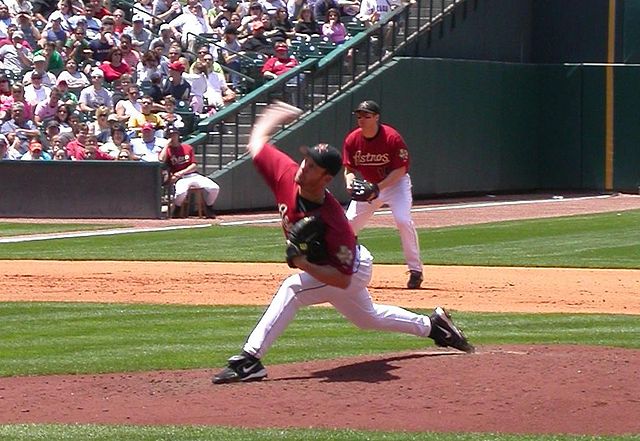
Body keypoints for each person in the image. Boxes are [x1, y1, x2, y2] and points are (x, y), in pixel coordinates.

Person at [212, 101, 473, 385]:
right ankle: (434, 326)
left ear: (325, 178)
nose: (303, 168)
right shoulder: (288, 175)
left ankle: (250, 360)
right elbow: (257, 143)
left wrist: (302, 262)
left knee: (292, 289)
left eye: (311, 167)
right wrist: (272, 117)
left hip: (350, 268)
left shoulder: (334, 221)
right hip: (332, 267)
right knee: (367, 318)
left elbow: (340, 278)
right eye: (305, 161)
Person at [342, 100, 424, 289]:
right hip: (370, 187)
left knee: (403, 220)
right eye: (359, 116)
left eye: (367, 116)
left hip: (396, 185)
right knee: (347, 226)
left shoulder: (392, 137)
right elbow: (349, 170)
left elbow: (400, 170)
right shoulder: (352, 139)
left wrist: (378, 188)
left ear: (377, 117)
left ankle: (415, 271)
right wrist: (350, 184)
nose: (362, 119)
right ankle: (345, 266)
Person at [158, 124, 219, 218]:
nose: (173, 137)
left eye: (174, 134)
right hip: (180, 179)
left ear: (178, 135)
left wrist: (181, 172)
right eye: (170, 135)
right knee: (180, 193)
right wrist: (166, 145)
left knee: (214, 188)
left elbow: (194, 165)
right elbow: (161, 160)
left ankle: (209, 207)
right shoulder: (168, 150)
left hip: (192, 175)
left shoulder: (187, 148)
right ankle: (177, 209)